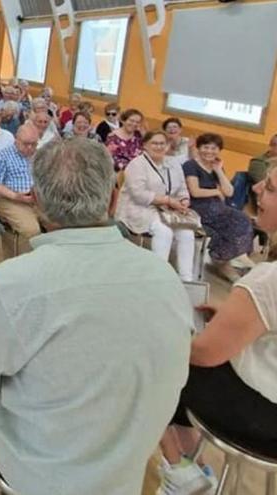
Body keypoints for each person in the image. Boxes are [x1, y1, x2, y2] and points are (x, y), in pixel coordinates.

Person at [0, 137, 192, 495]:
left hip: (39, 472)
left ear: (36, 202)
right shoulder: (167, 278)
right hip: (124, 472)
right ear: (114, 200)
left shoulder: (12, 283)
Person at [157, 164, 277, 494]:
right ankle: (188, 465)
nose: (255, 190)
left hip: (263, 418)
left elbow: (204, 354)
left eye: (269, 188)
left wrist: (174, 334)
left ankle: (179, 473)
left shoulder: (267, 279)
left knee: (155, 360)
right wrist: (235, 319)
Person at [116, 131, 195, 282]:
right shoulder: (136, 164)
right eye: (154, 143)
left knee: (186, 231)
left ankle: (186, 279)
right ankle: (158, 277)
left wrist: (184, 199)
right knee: (164, 231)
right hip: (140, 208)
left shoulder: (174, 164)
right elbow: (139, 195)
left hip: (169, 210)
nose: (159, 147)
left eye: (162, 143)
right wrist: (168, 201)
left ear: (167, 146)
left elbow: (182, 188)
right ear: (145, 145)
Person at [183, 133, 253, 282]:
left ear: (219, 150)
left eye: (213, 148)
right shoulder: (191, 165)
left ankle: (225, 258)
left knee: (243, 220)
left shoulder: (216, 167)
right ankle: (227, 259)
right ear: (199, 148)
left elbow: (229, 192)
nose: (209, 151)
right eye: (205, 147)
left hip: (217, 207)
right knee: (233, 220)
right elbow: (195, 191)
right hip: (198, 207)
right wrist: (215, 191)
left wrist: (219, 170)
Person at [0, 125, 41, 252]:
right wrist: (16, 196)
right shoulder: (3, 156)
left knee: (61, 224)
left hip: (38, 199)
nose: (30, 148)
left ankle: (53, 260)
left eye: (34, 144)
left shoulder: (40, 156)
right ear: (16, 140)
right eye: (26, 144)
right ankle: (26, 264)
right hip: (11, 200)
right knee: (31, 230)